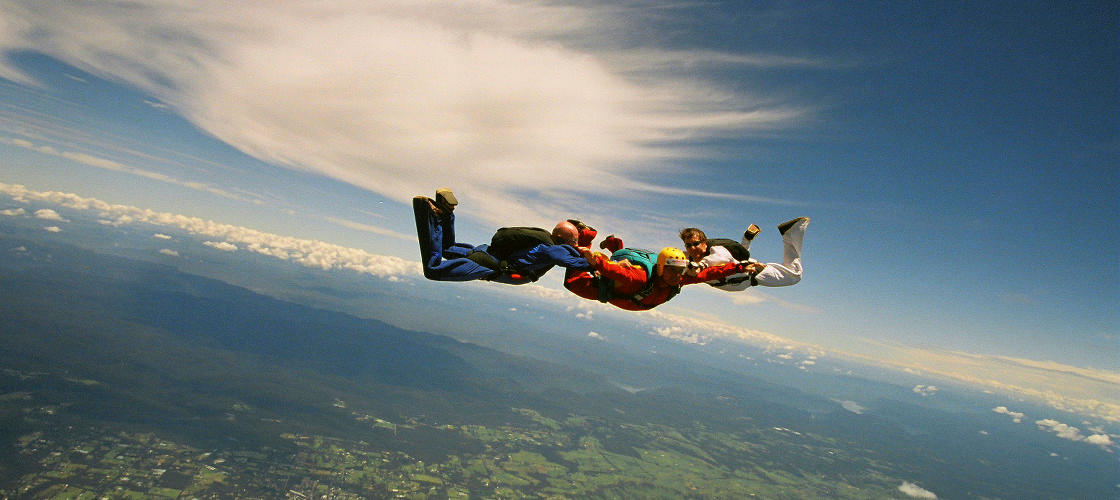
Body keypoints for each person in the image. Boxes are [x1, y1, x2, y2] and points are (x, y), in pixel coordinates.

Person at [413, 188, 594, 285]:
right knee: (433, 270)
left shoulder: (542, 238)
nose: (575, 245)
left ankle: (446, 212)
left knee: (447, 249)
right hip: (486, 265)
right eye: (573, 242)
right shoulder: (553, 250)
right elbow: (568, 260)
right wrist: (594, 264)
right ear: (564, 240)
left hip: (485, 252)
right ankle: (432, 215)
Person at [564, 245, 762, 311]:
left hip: (631, 297)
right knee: (574, 281)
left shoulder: (679, 278)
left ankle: (608, 245)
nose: (677, 276)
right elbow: (614, 272)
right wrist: (595, 260)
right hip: (597, 284)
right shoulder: (640, 277)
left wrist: (740, 267)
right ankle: (578, 240)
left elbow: (709, 274)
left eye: (680, 271)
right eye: (672, 271)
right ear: (660, 268)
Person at [679, 217, 809, 291]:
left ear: (704, 243)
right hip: (741, 272)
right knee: (741, 256)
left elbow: (720, 258)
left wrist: (700, 265)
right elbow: (670, 258)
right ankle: (747, 239)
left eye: (695, 244)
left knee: (795, 275)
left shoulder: (716, 251)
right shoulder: (688, 257)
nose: (692, 248)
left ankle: (792, 232)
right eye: (688, 245)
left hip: (755, 273)